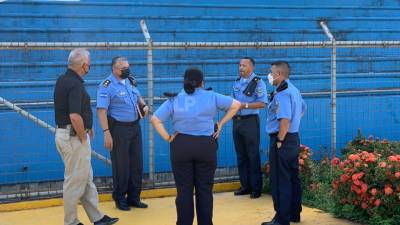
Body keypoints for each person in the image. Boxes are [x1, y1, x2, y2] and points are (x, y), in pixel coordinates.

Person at [151, 68, 240, 225]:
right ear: (202, 82)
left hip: (181, 146)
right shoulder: (212, 96)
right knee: (204, 190)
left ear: (184, 82)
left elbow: (155, 119)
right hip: (205, 146)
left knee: (184, 190)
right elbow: (236, 105)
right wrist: (220, 124)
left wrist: (169, 138)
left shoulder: (175, 99)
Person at [54, 48, 118, 225]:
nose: (89, 65)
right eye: (88, 62)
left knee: (86, 178)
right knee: (74, 181)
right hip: (73, 137)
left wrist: (87, 127)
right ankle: (71, 222)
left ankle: (97, 217)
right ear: (84, 65)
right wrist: (83, 135)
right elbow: (74, 116)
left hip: (67, 134)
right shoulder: (74, 84)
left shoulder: (63, 79)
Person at [96, 56, 149, 211]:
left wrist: (144, 106)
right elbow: (101, 110)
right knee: (122, 165)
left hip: (134, 127)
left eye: (128, 67)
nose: (127, 70)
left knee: (137, 164)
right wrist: (106, 132)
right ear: (114, 69)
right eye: (123, 68)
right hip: (118, 129)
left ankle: (134, 197)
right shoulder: (107, 85)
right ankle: (120, 198)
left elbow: (138, 96)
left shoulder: (130, 81)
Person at [262, 61, 306, 225]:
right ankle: (294, 213)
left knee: (280, 179)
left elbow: (284, 120)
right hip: (293, 138)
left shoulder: (282, 93)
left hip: (283, 139)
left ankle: (281, 218)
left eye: (271, 72)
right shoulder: (294, 90)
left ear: (279, 74)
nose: (270, 75)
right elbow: (302, 109)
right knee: (293, 177)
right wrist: (293, 125)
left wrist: (280, 139)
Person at [232, 57, 268, 199]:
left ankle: (256, 188)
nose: (241, 68)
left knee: (252, 155)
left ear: (251, 67)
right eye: (240, 65)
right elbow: (233, 100)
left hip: (250, 122)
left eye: (244, 66)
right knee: (241, 155)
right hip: (237, 121)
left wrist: (244, 105)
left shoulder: (258, 83)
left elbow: (262, 103)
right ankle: (245, 186)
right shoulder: (236, 82)